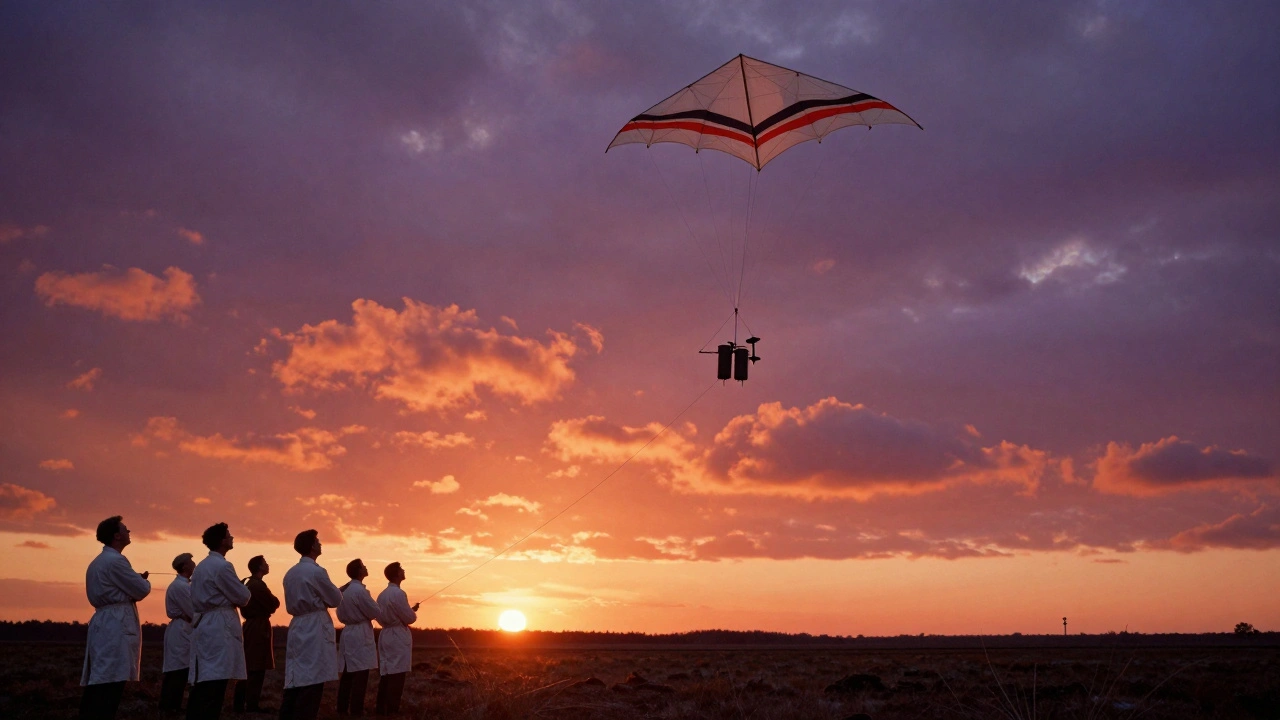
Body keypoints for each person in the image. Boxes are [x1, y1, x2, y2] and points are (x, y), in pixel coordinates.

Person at [80, 516, 151, 720]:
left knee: (101, 677)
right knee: (110, 681)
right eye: (126, 529)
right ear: (117, 535)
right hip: (115, 625)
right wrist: (138, 580)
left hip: (104, 622)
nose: (130, 532)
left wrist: (131, 581)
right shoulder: (116, 561)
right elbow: (141, 589)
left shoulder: (98, 562)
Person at [187, 523, 251, 720]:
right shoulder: (223, 566)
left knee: (205, 678)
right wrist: (238, 590)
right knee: (215, 681)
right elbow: (243, 597)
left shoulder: (202, 566)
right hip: (219, 626)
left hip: (205, 624)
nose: (232, 538)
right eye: (229, 535)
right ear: (222, 541)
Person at [279, 529, 342, 720]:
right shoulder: (317, 571)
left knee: (296, 677)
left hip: (297, 624)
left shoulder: (290, 573)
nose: (320, 544)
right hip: (315, 626)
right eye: (318, 541)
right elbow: (335, 598)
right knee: (313, 679)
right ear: (312, 546)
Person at [234, 555, 279, 713]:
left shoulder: (251, 584)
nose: (268, 565)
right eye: (265, 563)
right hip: (258, 628)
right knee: (256, 666)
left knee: (250, 665)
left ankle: (241, 703)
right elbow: (274, 603)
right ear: (259, 567)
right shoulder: (257, 586)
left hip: (252, 626)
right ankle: (250, 705)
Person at [336, 559, 381, 716]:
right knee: (361, 673)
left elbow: (339, 614)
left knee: (348, 673)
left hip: (348, 632)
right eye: (363, 566)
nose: (366, 567)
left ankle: (341, 708)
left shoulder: (344, 591)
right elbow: (375, 611)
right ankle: (356, 710)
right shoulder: (360, 591)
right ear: (360, 571)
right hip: (360, 633)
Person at [374, 563, 418, 716]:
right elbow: (409, 618)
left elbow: (380, 616)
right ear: (396, 574)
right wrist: (412, 613)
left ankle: (381, 709)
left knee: (386, 673)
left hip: (385, 634)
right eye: (401, 569)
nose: (404, 571)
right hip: (397, 636)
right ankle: (392, 710)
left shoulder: (381, 594)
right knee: (397, 674)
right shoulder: (399, 594)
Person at [160, 553, 196, 715]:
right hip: (181, 631)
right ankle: (169, 706)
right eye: (191, 562)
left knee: (181, 670)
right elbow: (192, 611)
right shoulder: (180, 587)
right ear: (185, 566)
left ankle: (172, 705)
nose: (194, 564)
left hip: (184, 629)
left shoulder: (185, 585)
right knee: (177, 670)